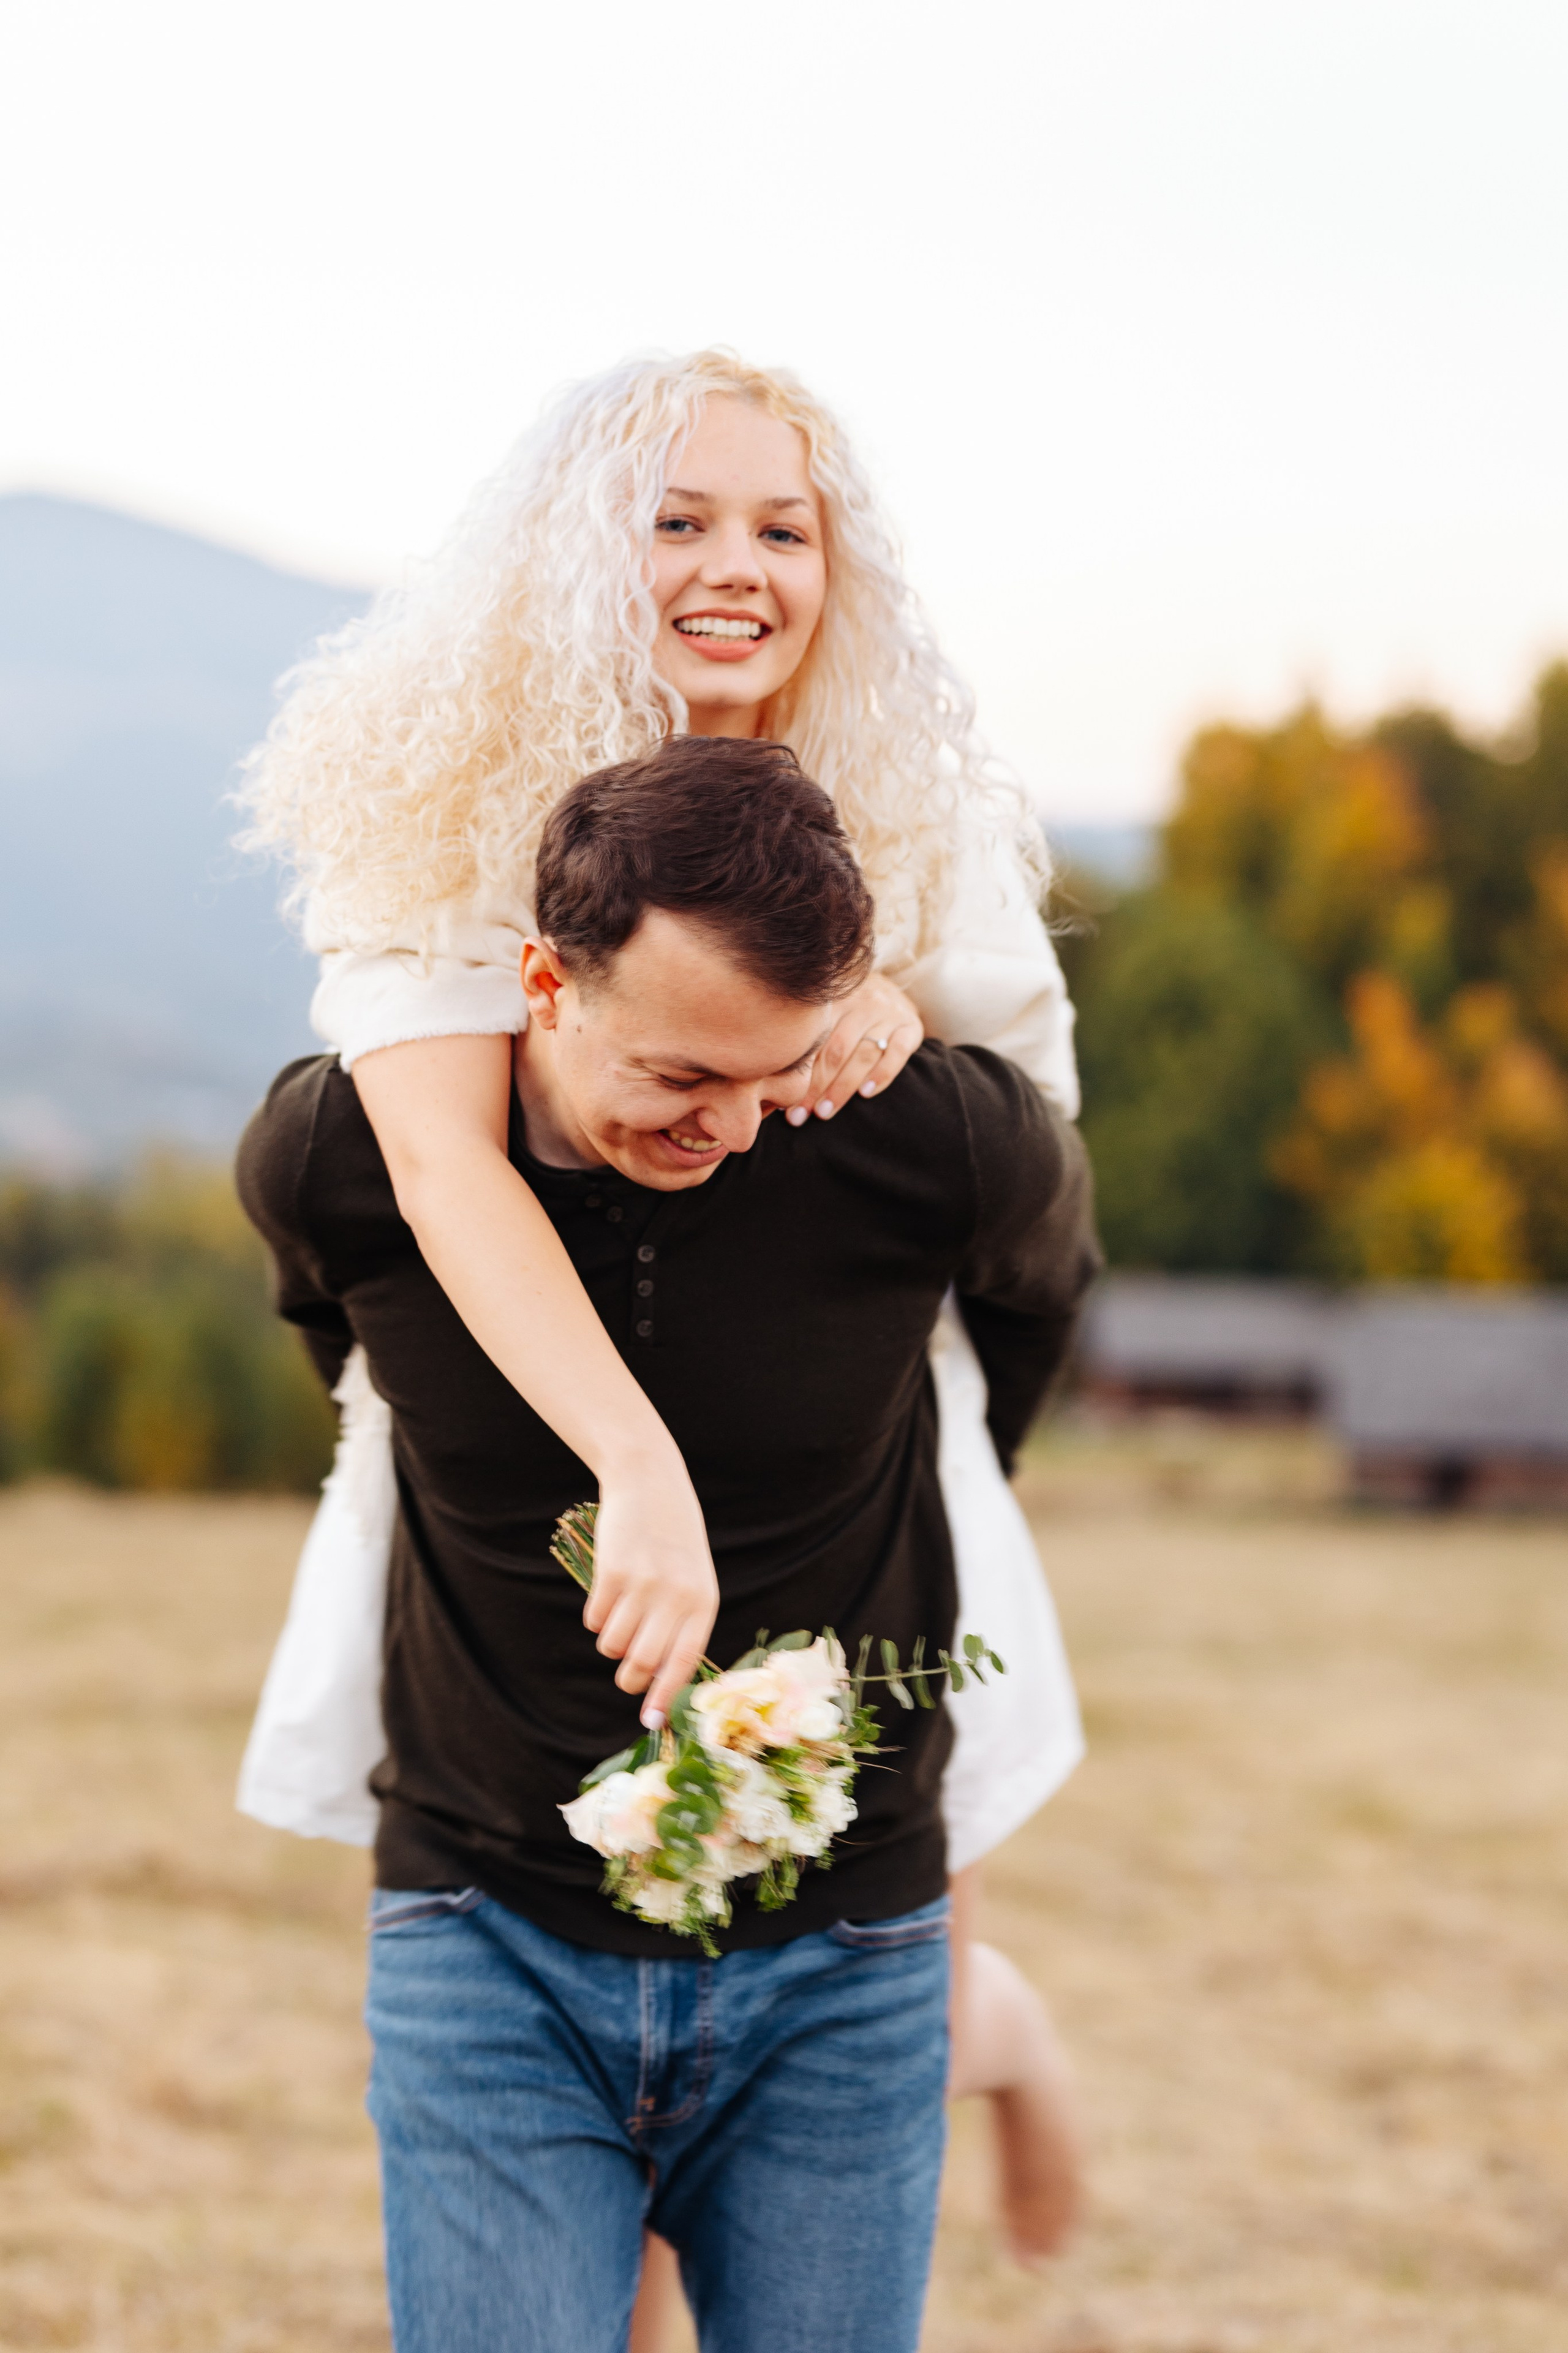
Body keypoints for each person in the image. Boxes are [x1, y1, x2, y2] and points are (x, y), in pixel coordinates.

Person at [236, 351, 1087, 2292]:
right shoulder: (442, 812)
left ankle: (1006, 2026)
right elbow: (429, 1179)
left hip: (855, 1420)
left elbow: (1031, 1153)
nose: (738, 564)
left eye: (784, 526)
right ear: (569, 559)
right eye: (678, 518)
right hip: (535, 1398)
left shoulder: (920, 814)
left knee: (864, 1900)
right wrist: (618, 1453)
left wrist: (890, 1013)